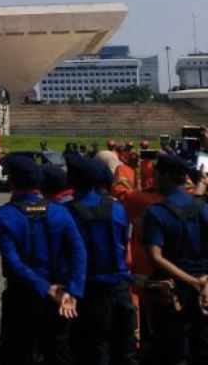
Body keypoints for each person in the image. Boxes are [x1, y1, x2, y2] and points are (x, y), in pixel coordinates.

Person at [0, 154, 86, 365]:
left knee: (16, 353)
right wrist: (74, 290)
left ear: (11, 181)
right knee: (57, 352)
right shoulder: (60, 212)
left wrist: (44, 288)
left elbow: (13, 261)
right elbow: (78, 253)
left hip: (23, 295)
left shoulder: (3, 216)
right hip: (60, 295)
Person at [64, 156, 137, 364]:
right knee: (126, 348)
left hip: (90, 287)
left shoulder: (67, 211)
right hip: (121, 286)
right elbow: (124, 242)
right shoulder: (117, 208)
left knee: (93, 349)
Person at [143, 154, 208, 363]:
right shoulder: (202, 207)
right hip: (204, 286)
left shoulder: (156, 212)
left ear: (166, 176)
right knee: (201, 346)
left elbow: (156, 256)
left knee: (172, 350)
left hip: (173, 289)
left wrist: (192, 281)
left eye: (157, 175)